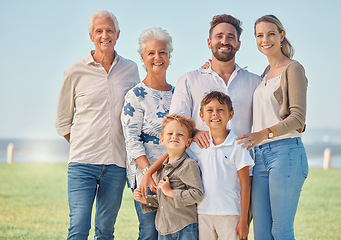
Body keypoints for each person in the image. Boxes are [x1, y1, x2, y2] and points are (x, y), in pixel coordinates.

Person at [140, 14, 261, 196]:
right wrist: (195, 132)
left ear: (238, 44)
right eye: (219, 36)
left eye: (230, 37)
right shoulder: (189, 80)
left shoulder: (255, 82)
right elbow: (174, 123)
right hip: (198, 175)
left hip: (241, 175)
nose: (224, 41)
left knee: (240, 224)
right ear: (209, 42)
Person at [55, 10, 140, 239]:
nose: (105, 35)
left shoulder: (131, 69)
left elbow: (140, 107)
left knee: (105, 231)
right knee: (79, 228)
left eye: (109, 30)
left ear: (118, 34)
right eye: (99, 31)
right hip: (82, 164)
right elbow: (63, 122)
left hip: (117, 165)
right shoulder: (74, 72)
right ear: (91, 35)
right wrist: (87, 143)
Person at [236, 15, 308, 239]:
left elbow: (298, 119)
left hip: (285, 152)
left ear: (281, 36)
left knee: (281, 230)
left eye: (270, 34)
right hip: (260, 156)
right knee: (263, 233)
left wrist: (264, 133)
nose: (264, 39)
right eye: (259, 35)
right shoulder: (263, 75)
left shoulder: (293, 69)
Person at [121, 27, 174, 240]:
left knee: (173, 231)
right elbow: (131, 140)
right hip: (145, 176)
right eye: (151, 53)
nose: (157, 57)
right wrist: (149, 173)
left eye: (162, 52)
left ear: (169, 56)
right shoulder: (134, 95)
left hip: (173, 173)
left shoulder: (178, 93)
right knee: (150, 232)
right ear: (143, 57)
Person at [186, 91, 254, 240]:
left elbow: (245, 184)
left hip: (230, 213)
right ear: (202, 116)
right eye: (210, 110)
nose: (215, 114)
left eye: (221, 110)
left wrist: (244, 220)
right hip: (203, 212)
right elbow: (174, 154)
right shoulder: (197, 146)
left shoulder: (238, 145)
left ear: (230, 114)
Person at [133, 114, 204, 240]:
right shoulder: (163, 168)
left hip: (185, 228)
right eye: (170, 133)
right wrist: (146, 200)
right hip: (164, 228)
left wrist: (170, 192)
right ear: (162, 139)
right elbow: (164, 200)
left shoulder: (188, 165)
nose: (174, 136)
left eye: (180, 134)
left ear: (188, 142)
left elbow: (197, 194)